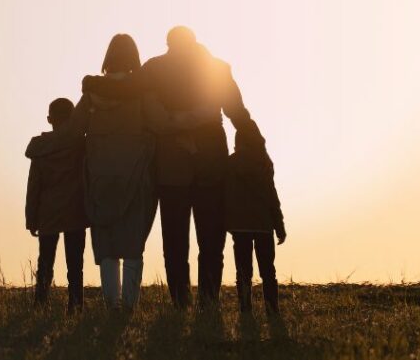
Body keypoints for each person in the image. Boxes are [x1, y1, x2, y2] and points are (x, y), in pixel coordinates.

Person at [84, 26, 260, 309]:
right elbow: (238, 113)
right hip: (210, 163)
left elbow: (124, 88)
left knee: (176, 242)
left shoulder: (156, 67)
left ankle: (180, 300)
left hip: (171, 167)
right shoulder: (217, 69)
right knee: (211, 240)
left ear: (169, 43)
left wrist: (92, 83)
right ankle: (208, 298)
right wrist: (257, 146)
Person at [81, 34, 188, 312]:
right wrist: (190, 121)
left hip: (100, 177)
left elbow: (71, 130)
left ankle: (111, 305)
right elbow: (161, 123)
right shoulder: (142, 93)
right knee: (132, 243)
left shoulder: (92, 92)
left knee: (106, 242)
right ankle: (128, 306)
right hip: (136, 176)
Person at [25, 97, 90, 313]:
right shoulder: (80, 143)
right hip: (75, 209)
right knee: (75, 263)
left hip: (48, 212)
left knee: (45, 261)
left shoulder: (40, 148)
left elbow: (34, 186)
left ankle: (41, 302)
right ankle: (76, 303)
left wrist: (31, 217)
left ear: (49, 119)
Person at [225, 119, 286, 313]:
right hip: (263, 225)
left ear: (238, 143)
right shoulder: (263, 164)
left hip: (240, 225)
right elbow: (272, 197)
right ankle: (272, 308)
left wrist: (225, 221)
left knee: (243, 271)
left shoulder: (229, 164)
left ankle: (245, 308)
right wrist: (279, 225)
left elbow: (223, 195)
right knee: (268, 270)